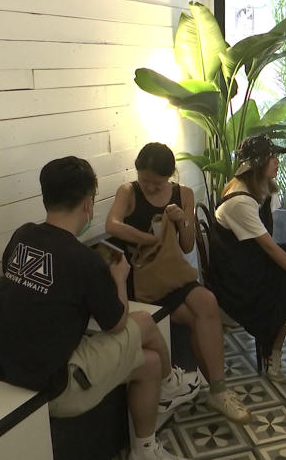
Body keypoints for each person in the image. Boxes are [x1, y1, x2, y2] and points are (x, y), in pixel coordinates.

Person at [0, 157, 192, 460]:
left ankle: (145, 450)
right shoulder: (82, 260)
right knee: (145, 323)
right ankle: (172, 384)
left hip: (13, 367)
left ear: (46, 197)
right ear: (88, 203)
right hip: (58, 385)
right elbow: (117, 323)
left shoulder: (22, 236)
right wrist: (119, 278)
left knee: (149, 362)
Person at [105, 142, 250, 423]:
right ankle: (210, 388)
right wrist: (146, 238)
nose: (148, 187)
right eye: (143, 180)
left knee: (207, 302)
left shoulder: (183, 193)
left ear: (170, 175)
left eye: (156, 183)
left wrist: (183, 219)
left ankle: (218, 389)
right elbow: (112, 225)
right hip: (140, 280)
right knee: (198, 318)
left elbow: (186, 246)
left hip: (172, 275)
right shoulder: (128, 192)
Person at [210, 134, 286, 381]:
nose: (277, 161)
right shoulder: (240, 201)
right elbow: (269, 248)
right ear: (257, 164)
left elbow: (268, 244)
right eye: (272, 157)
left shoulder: (261, 190)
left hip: (249, 264)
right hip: (236, 281)